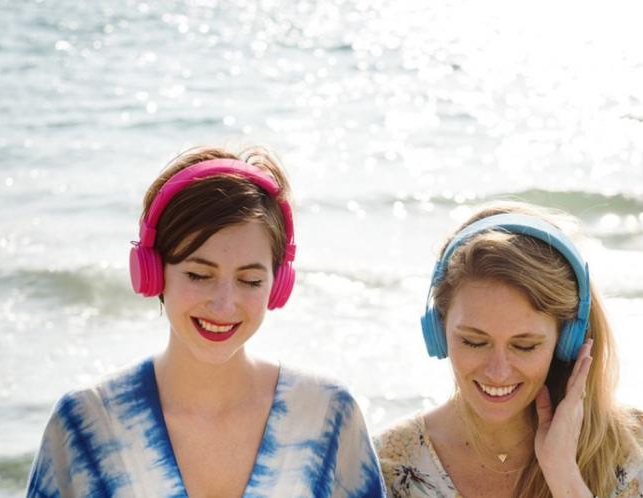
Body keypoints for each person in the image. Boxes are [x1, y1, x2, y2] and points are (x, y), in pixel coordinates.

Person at [26, 146, 385, 497]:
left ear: (278, 285)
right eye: (199, 275)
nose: (224, 304)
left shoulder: (328, 416)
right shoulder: (86, 424)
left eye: (250, 281)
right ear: (152, 272)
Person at [374, 202, 643, 498]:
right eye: (474, 341)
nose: (498, 372)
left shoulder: (627, 453)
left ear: (566, 341)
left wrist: (564, 475)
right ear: (438, 330)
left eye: (525, 346)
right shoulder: (387, 464)